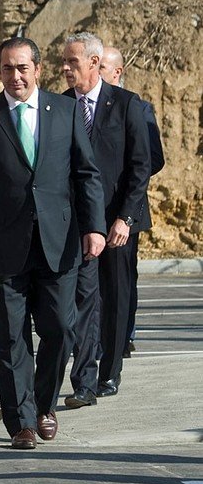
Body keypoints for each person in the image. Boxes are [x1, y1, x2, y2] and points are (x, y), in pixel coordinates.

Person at [0, 36, 105, 448]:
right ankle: (22, 421)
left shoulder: (65, 110)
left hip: (58, 243)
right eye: (7, 68)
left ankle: (44, 404)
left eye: (23, 67)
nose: (16, 76)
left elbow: (86, 173)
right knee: (10, 339)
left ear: (38, 70)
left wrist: (93, 226)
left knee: (60, 328)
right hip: (4, 246)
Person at [59, 33, 150, 408]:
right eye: (63, 62)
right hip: (75, 222)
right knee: (80, 300)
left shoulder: (127, 105)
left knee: (115, 296)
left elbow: (141, 166)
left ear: (95, 64)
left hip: (117, 221)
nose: (65, 69)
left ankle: (109, 372)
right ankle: (84, 371)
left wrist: (125, 218)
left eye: (72, 62)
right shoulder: (59, 106)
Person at [99, 45, 162, 357]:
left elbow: (152, 160)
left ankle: (124, 336)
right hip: (95, 212)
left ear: (117, 72)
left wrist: (127, 186)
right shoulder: (81, 105)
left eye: (102, 68)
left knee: (123, 281)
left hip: (129, 210)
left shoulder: (139, 106)